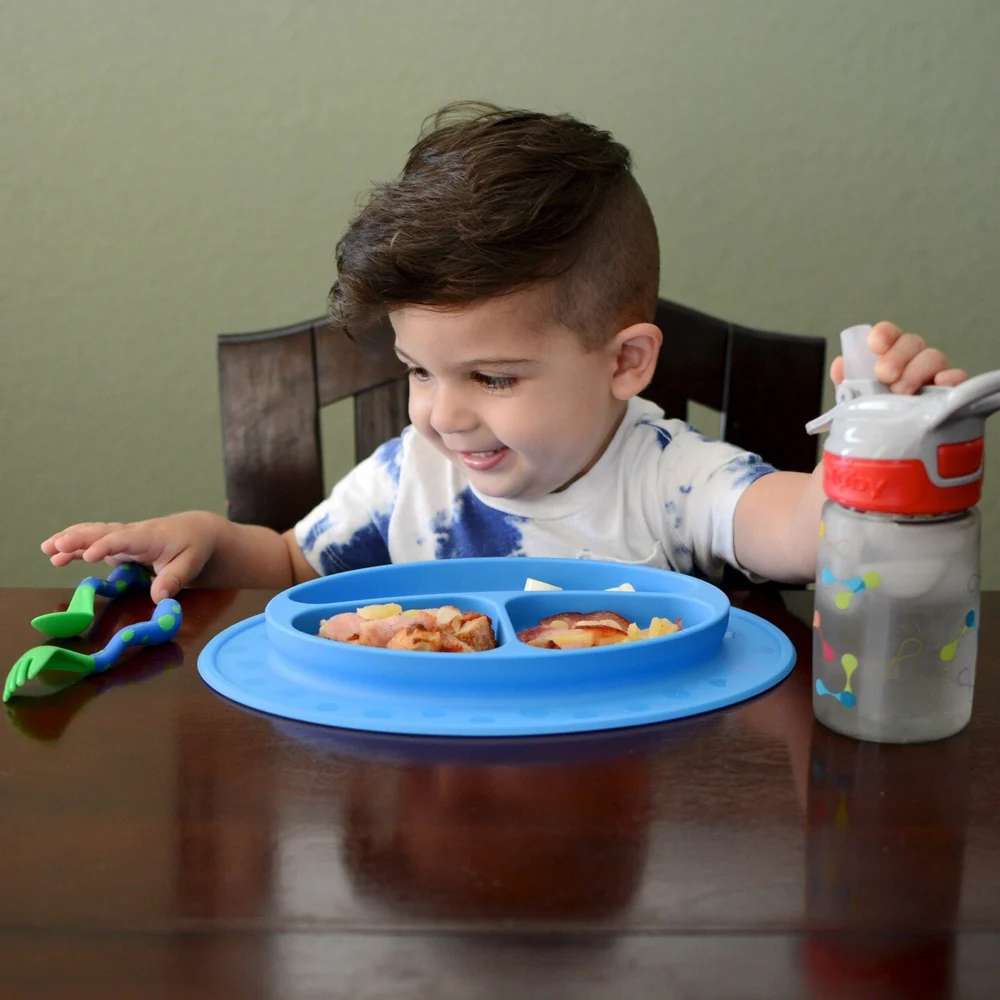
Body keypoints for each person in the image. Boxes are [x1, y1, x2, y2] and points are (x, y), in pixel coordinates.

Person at [41, 103, 966, 601]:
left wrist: (873, 433)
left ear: (626, 362)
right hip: (434, 801)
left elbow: (807, 533)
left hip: (629, 810)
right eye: (417, 371)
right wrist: (207, 541)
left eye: (492, 377)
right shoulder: (408, 478)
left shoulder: (670, 479)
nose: (443, 414)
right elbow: (288, 566)